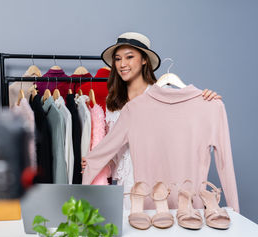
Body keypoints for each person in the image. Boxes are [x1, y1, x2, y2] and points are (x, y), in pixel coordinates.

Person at [81, 32, 220, 208]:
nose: (122, 64)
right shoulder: (113, 104)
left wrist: (206, 100)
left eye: (129, 57)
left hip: (160, 186)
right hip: (127, 188)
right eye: (117, 59)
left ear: (144, 60)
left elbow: (180, 136)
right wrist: (99, 161)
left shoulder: (163, 97)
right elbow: (117, 151)